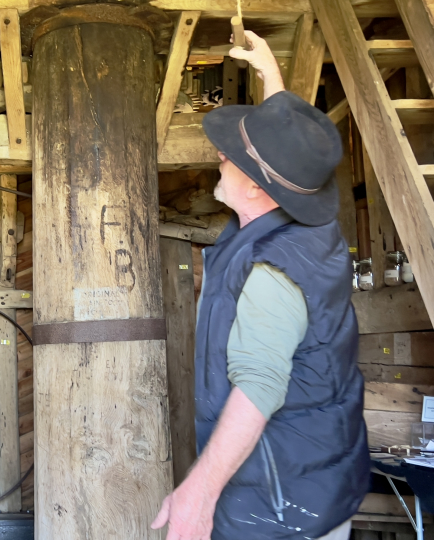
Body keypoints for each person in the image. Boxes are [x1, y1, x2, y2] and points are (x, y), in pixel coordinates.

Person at [151, 31, 370, 539]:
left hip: (280, 506)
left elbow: (259, 389)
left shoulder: (273, 274)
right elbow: (291, 153)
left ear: (257, 187)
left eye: (232, 157)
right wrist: (270, 75)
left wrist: (198, 495)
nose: (220, 159)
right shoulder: (307, 224)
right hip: (317, 476)